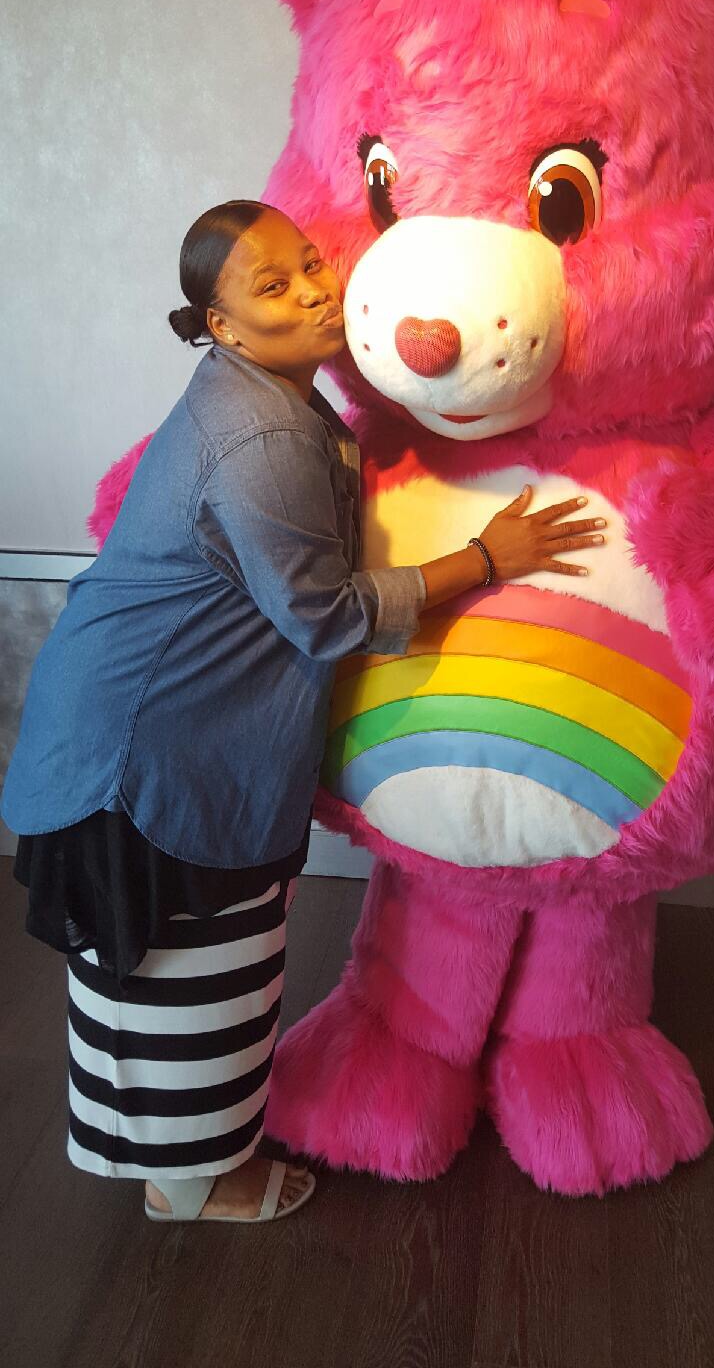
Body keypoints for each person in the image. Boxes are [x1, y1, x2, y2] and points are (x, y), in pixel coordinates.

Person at [1, 200, 605, 1224]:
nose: (318, 291)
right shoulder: (262, 435)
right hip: (149, 750)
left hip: (140, 723)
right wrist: (483, 559)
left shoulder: (256, 392)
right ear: (224, 327)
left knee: (163, 972)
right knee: (188, 970)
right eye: (274, 287)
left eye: (313, 264)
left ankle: (174, 1165)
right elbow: (325, 616)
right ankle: (196, 1183)